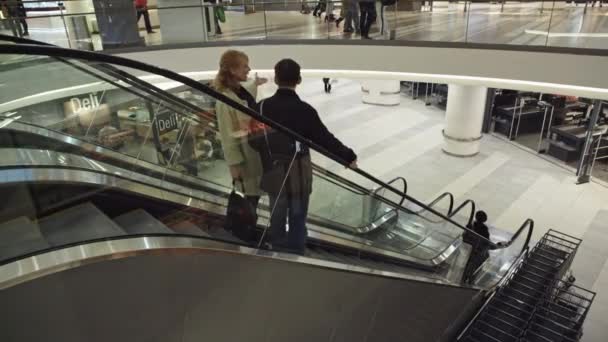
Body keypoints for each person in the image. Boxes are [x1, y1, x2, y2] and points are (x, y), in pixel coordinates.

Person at [258, 59, 357, 254]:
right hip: (299, 173)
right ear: (299, 80)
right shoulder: (305, 111)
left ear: (276, 79)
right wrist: (348, 156)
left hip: (273, 171)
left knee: (276, 211)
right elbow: (324, 139)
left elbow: (254, 140)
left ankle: (276, 247)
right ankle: (296, 250)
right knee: (297, 214)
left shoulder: (261, 107)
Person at [214, 50, 267, 218]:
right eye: (244, 66)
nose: (249, 69)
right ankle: (244, 233)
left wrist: (256, 84)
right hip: (244, 161)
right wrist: (234, 167)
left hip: (252, 152)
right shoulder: (224, 100)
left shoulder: (239, 90)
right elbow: (226, 136)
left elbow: (247, 92)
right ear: (232, 70)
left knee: (254, 197)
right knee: (249, 201)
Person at [462, 210, 491, 284]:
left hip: (472, 249)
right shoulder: (484, 229)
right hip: (477, 250)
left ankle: (465, 277)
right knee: (476, 264)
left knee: (470, 263)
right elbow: (487, 241)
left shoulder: (471, 225)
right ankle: (471, 278)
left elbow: (465, 236)